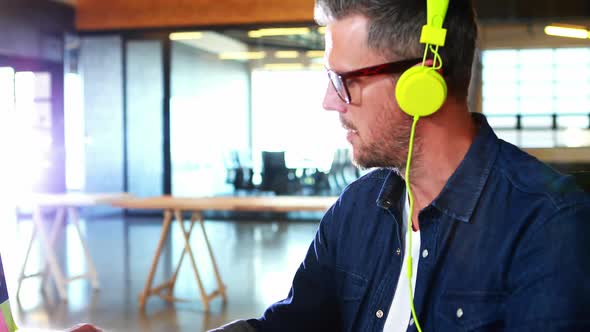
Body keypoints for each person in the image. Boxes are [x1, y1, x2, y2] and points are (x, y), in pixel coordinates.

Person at [211, 0, 590, 331]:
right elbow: (292, 325)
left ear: (422, 81)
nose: (330, 101)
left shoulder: (549, 227)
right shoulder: (356, 207)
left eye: (344, 79)